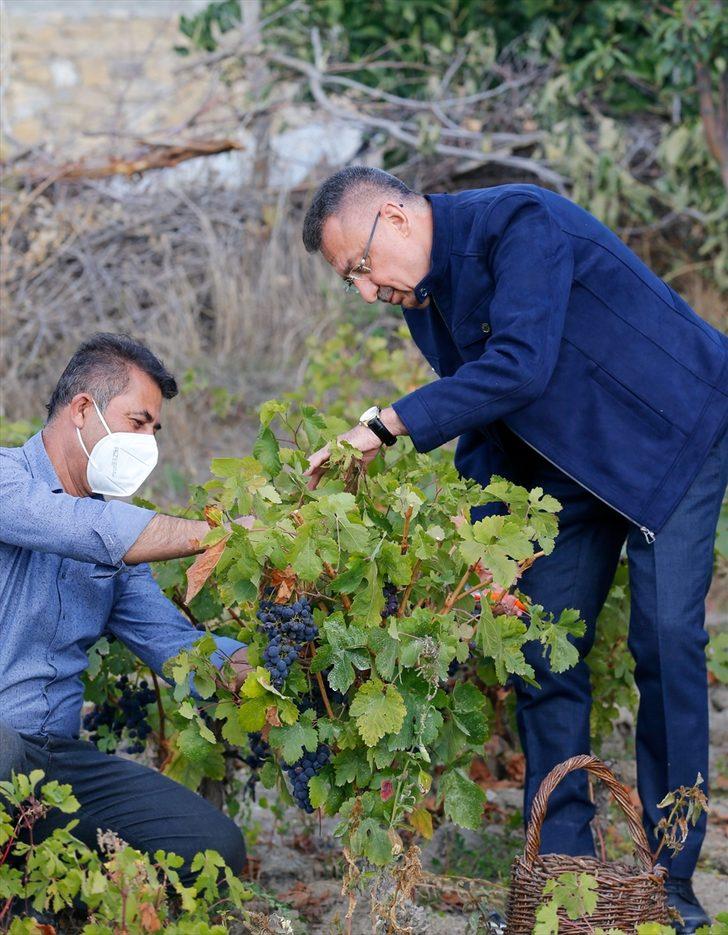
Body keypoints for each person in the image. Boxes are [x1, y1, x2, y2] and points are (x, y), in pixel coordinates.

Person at [301, 166, 728, 933]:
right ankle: (563, 876)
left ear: (395, 220)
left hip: (673, 432)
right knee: (542, 651)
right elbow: (487, 418)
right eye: (351, 283)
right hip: (569, 466)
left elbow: (520, 365)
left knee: (666, 643)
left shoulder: (519, 223)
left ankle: (673, 886)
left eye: (360, 269)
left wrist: (386, 422)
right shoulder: (424, 303)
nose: (367, 292)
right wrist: (482, 540)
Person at [0, 333, 251, 893]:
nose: (147, 443)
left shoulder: (119, 547)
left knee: (214, 847)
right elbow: (75, 527)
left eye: (155, 431)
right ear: (84, 409)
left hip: (54, 762)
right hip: (1, 749)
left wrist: (275, 675)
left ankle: (67, 896)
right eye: (138, 423)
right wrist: (221, 535)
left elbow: (179, 649)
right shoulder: (6, 480)